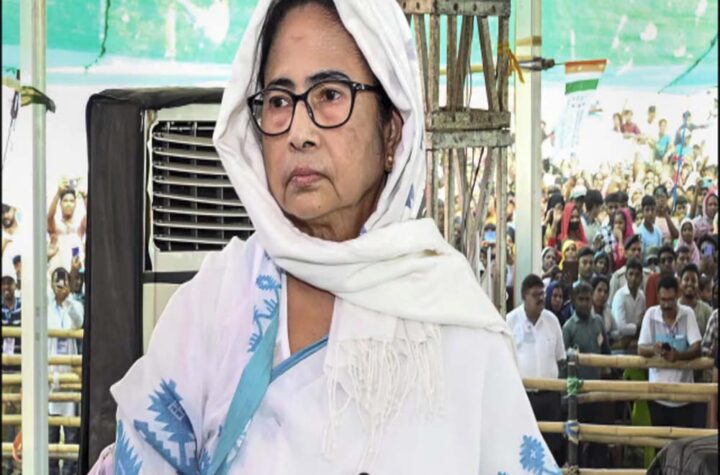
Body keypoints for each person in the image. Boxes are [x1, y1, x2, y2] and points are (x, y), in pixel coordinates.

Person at [89, 1, 559, 473]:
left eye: (330, 94)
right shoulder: (214, 308)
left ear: (392, 131)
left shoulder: (457, 326)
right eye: (278, 101)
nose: (299, 131)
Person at [506, 274, 566, 466]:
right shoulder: (510, 321)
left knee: (551, 447)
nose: (541, 299)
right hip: (524, 396)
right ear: (524, 296)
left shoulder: (552, 321)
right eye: (535, 295)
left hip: (550, 396)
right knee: (523, 445)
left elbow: (561, 358)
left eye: (542, 294)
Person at [638, 274, 702, 428]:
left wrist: (678, 356)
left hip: (684, 397)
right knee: (659, 440)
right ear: (657, 297)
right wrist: (654, 350)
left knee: (684, 441)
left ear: (677, 296)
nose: (666, 305)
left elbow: (697, 347)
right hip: (657, 396)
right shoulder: (650, 314)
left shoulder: (687, 313)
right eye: (663, 300)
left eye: (670, 300)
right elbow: (641, 348)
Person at [562, 281, 611, 468]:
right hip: (577, 395)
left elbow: (606, 353)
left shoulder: (598, 322)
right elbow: (562, 364)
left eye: (587, 299)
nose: (584, 303)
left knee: (599, 440)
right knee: (576, 441)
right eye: (580, 299)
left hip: (597, 392)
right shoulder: (568, 327)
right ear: (574, 301)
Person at [48, 267, 84, 475]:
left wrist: (68, 300)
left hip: (71, 377)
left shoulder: (75, 305)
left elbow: (78, 321)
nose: (60, 286)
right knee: (51, 434)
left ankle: (70, 472)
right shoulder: (45, 307)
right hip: (51, 376)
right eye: (57, 282)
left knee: (71, 435)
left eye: (63, 282)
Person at [1, 271, 21, 475]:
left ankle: (18, 468)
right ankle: (5, 466)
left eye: (10, 283)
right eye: (3, 283)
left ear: (15, 285)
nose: (7, 287)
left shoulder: (23, 307)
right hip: (3, 375)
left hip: (20, 375)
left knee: (20, 424)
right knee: (5, 425)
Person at [47, 182, 87, 275]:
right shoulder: (56, 226)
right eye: (65, 201)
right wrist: (58, 194)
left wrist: (85, 197)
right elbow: (50, 217)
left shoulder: (79, 226)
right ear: (60, 204)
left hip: (76, 274)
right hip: (58, 275)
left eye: (71, 201)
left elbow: (92, 218)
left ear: (75, 204)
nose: (68, 204)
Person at [611, 259, 646, 352]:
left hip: (635, 342)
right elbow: (621, 327)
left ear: (641, 277)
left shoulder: (642, 296)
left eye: (637, 275)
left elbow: (643, 320)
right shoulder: (620, 295)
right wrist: (637, 327)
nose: (633, 278)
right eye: (631, 274)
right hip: (619, 344)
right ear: (626, 276)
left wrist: (636, 328)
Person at [608, 234, 649, 304]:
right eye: (633, 250)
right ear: (625, 253)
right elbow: (611, 303)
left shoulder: (648, 275)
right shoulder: (617, 277)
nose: (637, 253)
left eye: (639, 250)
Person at [678, 263, 713, 339]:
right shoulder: (674, 308)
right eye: (686, 279)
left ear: (698, 284)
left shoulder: (706, 311)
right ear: (680, 282)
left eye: (693, 280)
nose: (690, 283)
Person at [591, 274, 619, 348]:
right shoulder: (586, 311)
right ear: (592, 292)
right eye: (599, 290)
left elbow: (617, 332)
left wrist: (608, 336)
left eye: (606, 292)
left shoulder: (607, 311)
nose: (603, 294)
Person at [637, 195, 663, 261]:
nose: (650, 213)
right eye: (647, 210)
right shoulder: (639, 233)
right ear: (642, 211)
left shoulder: (658, 231)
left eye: (652, 210)